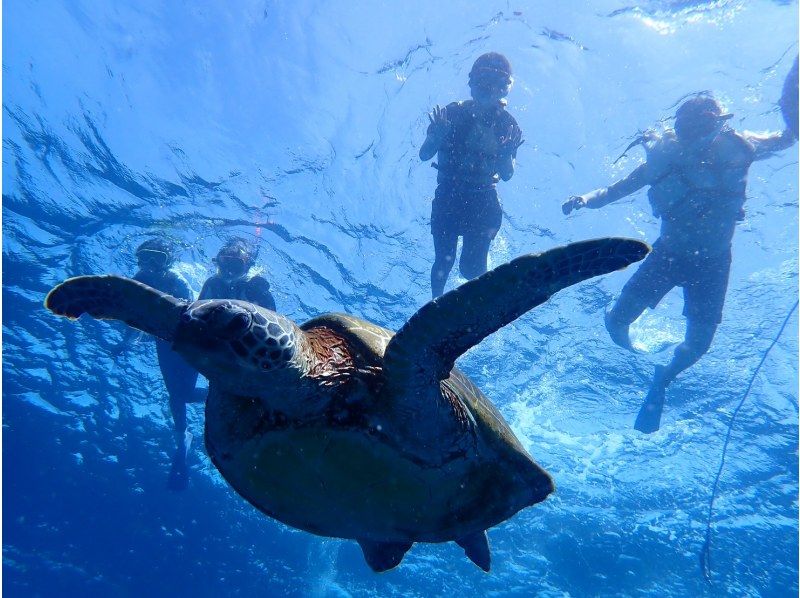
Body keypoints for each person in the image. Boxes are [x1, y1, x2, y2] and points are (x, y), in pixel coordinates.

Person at [562, 92, 797, 434]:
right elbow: (615, 190)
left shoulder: (741, 146)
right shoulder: (665, 157)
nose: (694, 137)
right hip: (667, 256)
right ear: (678, 128)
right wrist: (583, 199)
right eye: (686, 128)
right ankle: (637, 356)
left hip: (714, 262)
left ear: (717, 124)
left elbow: (787, 139)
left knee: (699, 344)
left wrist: (793, 107)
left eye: (701, 126)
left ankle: (663, 379)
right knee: (615, 326)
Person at [420, 52, 524, 298]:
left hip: (483, 202)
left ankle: (482, 306)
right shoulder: (451, 114)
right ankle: (435, 306)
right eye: (483, 80)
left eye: (496, 82)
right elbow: (425, 154)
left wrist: (506, 152)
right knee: (443, 262)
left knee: (471, 270)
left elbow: (507, 175)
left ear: (505, 89)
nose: (488, 88)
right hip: (448, 196)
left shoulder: (508, 126)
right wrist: (437, 136)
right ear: (471, 83)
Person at [114, 238, 200, 490]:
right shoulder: (137, 279)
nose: (150, 264)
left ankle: (225, 395)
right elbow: (133, 317)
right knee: (176, 395)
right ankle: (182, 436)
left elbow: (191, 314)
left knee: (181, 393)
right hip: (163, 343)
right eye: (145, 258)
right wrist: (126, 343)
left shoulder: (177, 281)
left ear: (168, 262)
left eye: (158, 258)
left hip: (186, 342)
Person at [199, 237, 276, 309]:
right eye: (225, 261)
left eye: (236, 264)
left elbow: (272, 314)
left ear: (247, 267)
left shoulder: (255, 287)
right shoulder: (212, 283)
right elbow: (197, 310)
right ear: (218, 261)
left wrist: (262, 296)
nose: (228, 270)